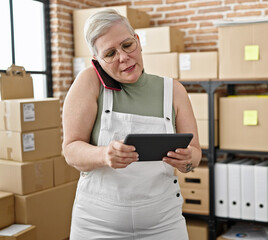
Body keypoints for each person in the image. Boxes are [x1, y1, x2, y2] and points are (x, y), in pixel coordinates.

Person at [62, 9, 201, 240]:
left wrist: (187, 160)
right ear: (97, 61)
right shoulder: (89, 83)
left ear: (137, 41)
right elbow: (71, 150)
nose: (123, 57)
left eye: (127, 45)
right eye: (110, 53)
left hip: (163, 223)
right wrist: (105, 155)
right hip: (97, 225)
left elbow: (195, 155)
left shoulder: (173, 90)